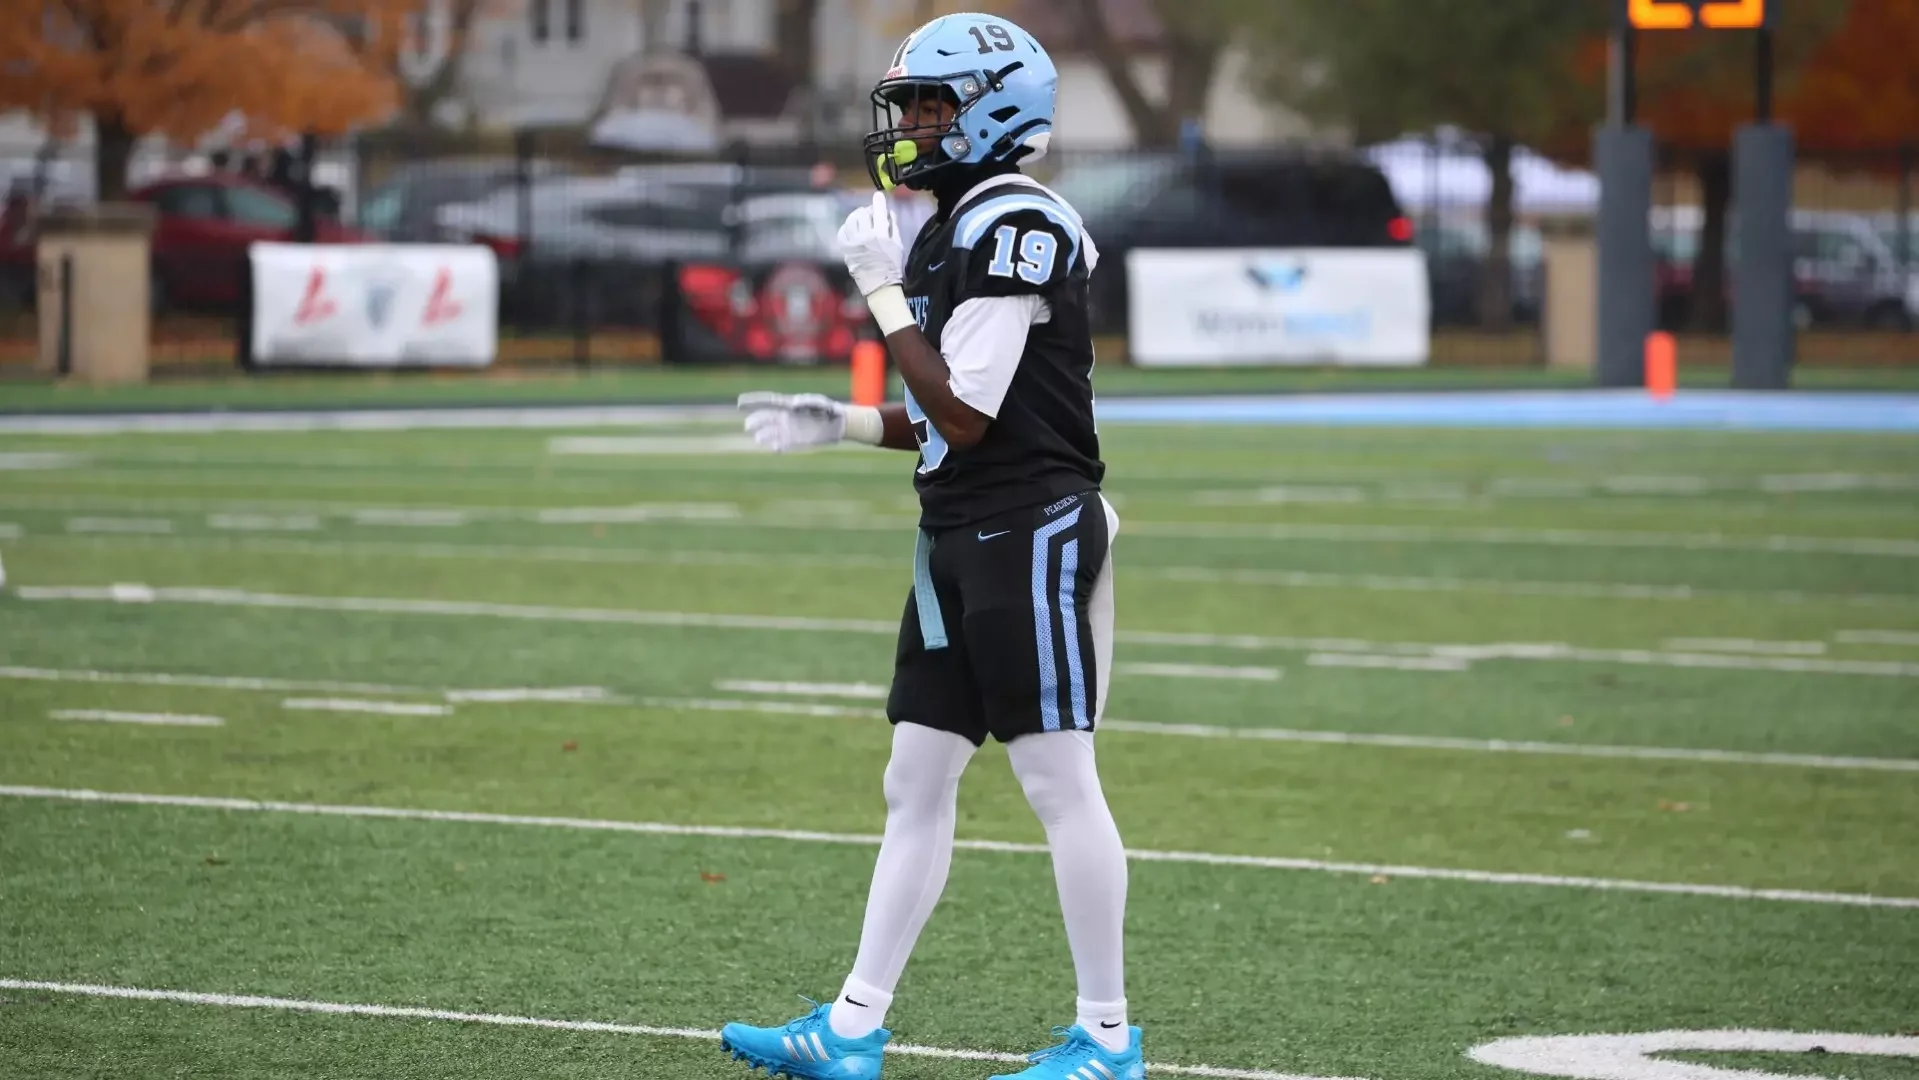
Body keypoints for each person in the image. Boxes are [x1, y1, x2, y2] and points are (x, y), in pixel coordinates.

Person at [721, 12, 1137, 1080]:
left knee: (1056, 782)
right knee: (915, 779)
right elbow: (948, 412)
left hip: (1028, 527)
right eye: (905, 105)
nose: (908, 125)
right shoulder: (961, 219)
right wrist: (851, 424)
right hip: (960, 527)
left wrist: (876, 291)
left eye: (930, 105)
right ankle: (854, 1028)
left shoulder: (1013, 222)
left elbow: (966, 416)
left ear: (996, 109)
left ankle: (1105, 1039)